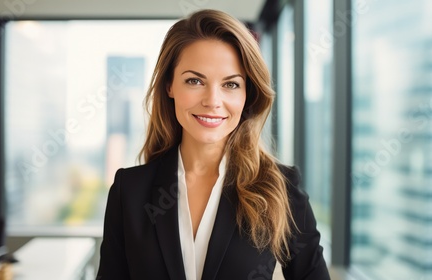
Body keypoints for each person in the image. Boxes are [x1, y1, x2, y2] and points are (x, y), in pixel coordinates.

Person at [96, 9, 330, 280]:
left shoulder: (281, 188)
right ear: (170, 85)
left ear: (247, 94)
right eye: (195, 81)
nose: (212, 100)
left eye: (230, 85)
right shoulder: (129, 191)